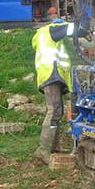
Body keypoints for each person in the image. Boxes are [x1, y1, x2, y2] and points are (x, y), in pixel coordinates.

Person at [32, 19, 74, 164]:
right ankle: (43, 150)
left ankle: (54, 147)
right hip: (50, 74)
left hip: (51, 75)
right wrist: (84, 27)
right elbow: (70, 29)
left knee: (58, 111)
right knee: (54, 110)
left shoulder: (47, 37)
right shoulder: (51, 31)